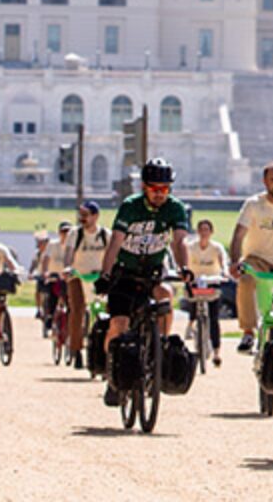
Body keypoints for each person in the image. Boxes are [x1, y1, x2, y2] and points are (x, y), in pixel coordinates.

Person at [101, 160, 193, 405]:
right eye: (155, 189)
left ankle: (160, 345)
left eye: (165, 189)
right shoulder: (130, 207)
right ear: (144, 187)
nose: (160, 194)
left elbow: (179, 242)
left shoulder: (175, 208)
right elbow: (115, 243)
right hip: (125, 272)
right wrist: (105, 275)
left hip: (153, 271)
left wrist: (185, 268)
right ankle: (112, 377)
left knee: (165, 294)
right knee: (119, 324)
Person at [229, 162, 273, 353]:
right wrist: (235, 261)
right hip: (256, 259)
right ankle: (248, 331)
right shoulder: (254, 204)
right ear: (265, 181)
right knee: (246, 280)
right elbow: (238, 235)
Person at [64, 203, 109, 372]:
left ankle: (106, 350)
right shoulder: (74, 234)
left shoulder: (105, 235)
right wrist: (68, 268)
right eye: (80, 214)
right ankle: (76, 349)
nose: (82, 218)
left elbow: (113, 254)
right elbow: (68, 253)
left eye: (86, 214)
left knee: (110, 310)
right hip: (78, 275)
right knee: (77, 310)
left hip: (99, 277)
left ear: (96, 216)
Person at [186, 218, 229, 366]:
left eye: (207, 230)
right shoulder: (191, 247)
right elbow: (185, 262)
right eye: (201, 230)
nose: (204, 233)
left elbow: (224, 263)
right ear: (198, 232)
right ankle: (191, 324)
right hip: (195, 282)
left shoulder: (216, 248)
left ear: (211, 232)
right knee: (192, 301)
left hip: (212, 282)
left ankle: (217, 352)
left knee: (213, 317)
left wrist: (225, 273)